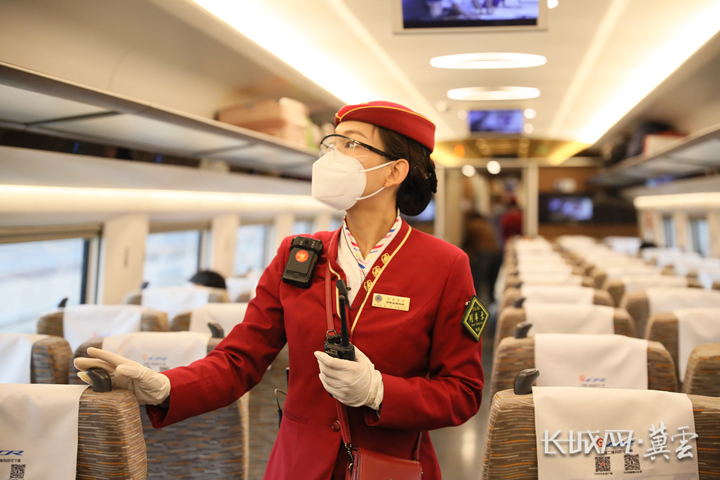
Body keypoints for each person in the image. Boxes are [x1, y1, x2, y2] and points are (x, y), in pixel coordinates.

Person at [75, 101, 484, 480]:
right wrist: (167, 386)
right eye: (331, 144)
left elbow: (462, 392)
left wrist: (379, 391)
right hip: (298, 464)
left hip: (391, 466)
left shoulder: (444, 265)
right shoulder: (298, 255)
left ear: (395, 171)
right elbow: (239, 359)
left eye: (352, 144)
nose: (333, 156)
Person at [463, 212, 502, 303]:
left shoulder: (472, 225)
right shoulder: (488, 224)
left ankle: (475, 302)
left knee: (478, 280)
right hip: (496, 252)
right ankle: (492, 302)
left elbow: (467, 242)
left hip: (483, 253)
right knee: (491, 281)